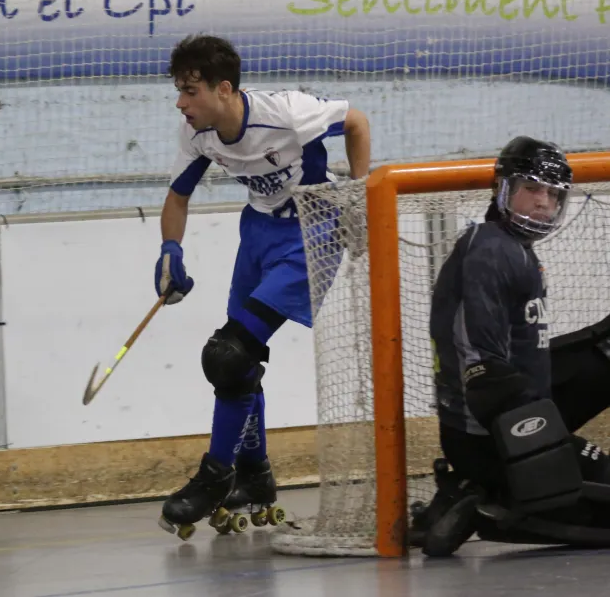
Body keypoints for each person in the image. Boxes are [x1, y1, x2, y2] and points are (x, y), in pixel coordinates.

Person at [154, 34, 372, 538]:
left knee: (228, 354)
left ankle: (215, 476)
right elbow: (177, 197)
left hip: (311, 230)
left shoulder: (287, 113)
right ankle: (255, 476)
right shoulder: (198, 134)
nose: (181, 103)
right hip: (257, 232)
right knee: (238, 362)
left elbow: (356, 122)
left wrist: (360, 193)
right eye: (179, 92)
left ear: (223, 88)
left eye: (190, 92)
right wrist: (170, 250)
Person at [415, 135, 610, 556]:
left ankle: (480, 488)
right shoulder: (490, 252)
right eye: (532, 189)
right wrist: (540, 456)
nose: (543, 202)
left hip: (512, 410)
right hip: (492, 434)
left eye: (553, 194)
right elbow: (482, 370)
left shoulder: (512, 249)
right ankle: (488, 497)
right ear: (503, 189)